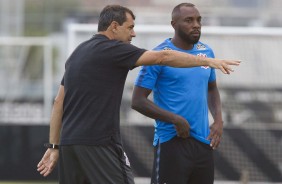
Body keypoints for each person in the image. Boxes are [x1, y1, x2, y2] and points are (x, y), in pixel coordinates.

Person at [37, 4, 240, 184]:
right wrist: (207, 61)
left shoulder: (77, 53)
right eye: (130, 28)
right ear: (114, 27)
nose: (133, 34)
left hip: (70, 144)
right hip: (100, 142)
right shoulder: (114, 48)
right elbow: (163, 57)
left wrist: (54, 145)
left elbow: (58, 102)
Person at [132, 3, 227, 184]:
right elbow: (137, 101)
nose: (196, 25)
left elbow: (211, 88)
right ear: (174, 24)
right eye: (189, 20)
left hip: (203, 142)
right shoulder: (158, 55)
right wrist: (174, 119)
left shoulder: (206, 52)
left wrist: (219, 119)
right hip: (171, 142)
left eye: (199, 20)